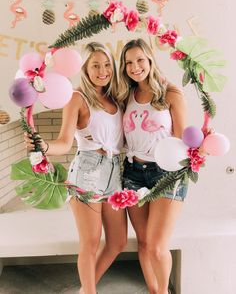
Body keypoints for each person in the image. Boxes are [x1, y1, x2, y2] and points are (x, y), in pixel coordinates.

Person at [24, 42, 127, 294]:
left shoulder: (117, 98)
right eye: (95, 66)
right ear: (85, 68)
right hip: (87, 171)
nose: (102, 71)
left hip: (114, 173)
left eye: (106, 65)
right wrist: (43, 146)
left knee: (117, 241)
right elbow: (64, 142)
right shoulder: (77, 97)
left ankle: (84, 290)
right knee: (90, 243)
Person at [119, 38, 188, 294]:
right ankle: (155, 291)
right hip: (133, 174)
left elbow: (183, 139)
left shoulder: (171, 93)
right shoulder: (127, 96)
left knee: (158, 246)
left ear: (150, 60)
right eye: (128, 63)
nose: (135, 67)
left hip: (166, 174)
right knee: (145, 244)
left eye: (139, 60)